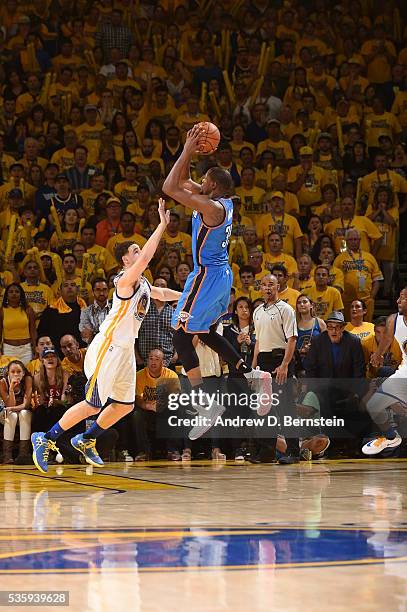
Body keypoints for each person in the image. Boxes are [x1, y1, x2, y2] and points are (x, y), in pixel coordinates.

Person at [31, 199, 180, 473]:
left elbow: (161, 294)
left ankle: (86, 439)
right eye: (136, 250)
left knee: (124, 405)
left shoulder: (144, 284)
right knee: (92, 404)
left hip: (125, 351)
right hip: (108, 347)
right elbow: (147, 257)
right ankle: (45, 438)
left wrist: (187, 300)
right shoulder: (123, 281)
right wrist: (161, 225)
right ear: (126, 259)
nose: (141, 252)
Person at [163, 124, 272, 440]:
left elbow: (170, 187)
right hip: (220, 275)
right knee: (206, 332)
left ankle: (203, 405)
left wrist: (186, 149)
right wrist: (192, 152)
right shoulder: (222, 201)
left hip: (206, 276)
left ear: (211, 186)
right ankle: (251, 374)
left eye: (204, 181)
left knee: (181, 337)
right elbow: (182, 181)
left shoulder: (210, 207)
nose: (199, 183)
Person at [251, 274, 300, 463]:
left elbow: (292, 339)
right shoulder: (257, 311)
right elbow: (257, 342)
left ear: (278, 286)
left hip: (280, 359)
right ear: (260, 288)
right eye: (264, 285)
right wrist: (253, 367)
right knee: (264, 409)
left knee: (286, 408)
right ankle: (266, 453)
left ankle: (294, 452)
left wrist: (285, 365)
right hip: (263, 360)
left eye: (271, 284)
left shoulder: (286, 309)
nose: (267, 288)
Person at [362, 288, 407, 455]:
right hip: (404, 371)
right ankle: (392, 437)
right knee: (373, 405)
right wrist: (378, 355)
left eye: (402, 298)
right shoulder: (394, 320)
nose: (397, 301)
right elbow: (387, 338)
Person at [0, 360, 33, 464]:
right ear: (8, 373)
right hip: (6, 414)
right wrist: (11, 389)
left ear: (23, 373)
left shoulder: (28, 379)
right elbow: (9, 405)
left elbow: (26, 405)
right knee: (12, 416)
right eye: (12, 372)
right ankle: (7, 456)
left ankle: (23, 454)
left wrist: (12, 409)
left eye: (18, 371)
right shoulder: (3, 382)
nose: (16, 374)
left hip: (23, 414)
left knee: (24, 413)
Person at [0, 283, 37, 365]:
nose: (14, 294)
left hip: (26, 349)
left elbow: (33, 331)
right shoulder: (2, 311)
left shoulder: (28, 309)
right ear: (6, 295)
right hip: (8, 349)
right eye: (11, 292)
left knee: (27, 374)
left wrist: (35, 348)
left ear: (21, 294)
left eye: (17, 292)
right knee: (10, 376)